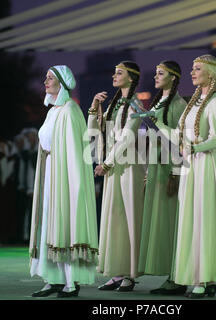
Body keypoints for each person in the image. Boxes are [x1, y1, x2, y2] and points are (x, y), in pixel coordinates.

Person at [156, 54, 216, 298]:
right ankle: (200, 278)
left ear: (210, 73)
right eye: (192, 69)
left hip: (205, 165)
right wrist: (158, 123)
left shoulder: (215, 102)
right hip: (190, 165)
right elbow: (179, 137)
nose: (192, 72)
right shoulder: (194, 103)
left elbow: (215, 140)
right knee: (190, 220)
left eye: (197, 69)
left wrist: (193, 148)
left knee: (203, 219)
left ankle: (204, 278)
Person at [29, 65, 98, 298]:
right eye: (45, 78)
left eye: (50, 78)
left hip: (64, 177)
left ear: (62, 82)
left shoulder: (70, 110)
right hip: (50, 173)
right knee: (48, 224)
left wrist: (73, 185)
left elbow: (74, 153)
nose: (45, 81)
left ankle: (70, 282)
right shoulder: (53, 111)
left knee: (64, 225)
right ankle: (53, 279)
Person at [88, 61, 145, 292]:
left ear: (131, 78)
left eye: (119, 73)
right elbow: (94, 129)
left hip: (128, 168)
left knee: (129, 219)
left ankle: (130, 274)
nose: (114, 76)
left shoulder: (134, 104)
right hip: (113, 168)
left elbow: (127, 137)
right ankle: (116, 272)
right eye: (114, 72)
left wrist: (107, 162)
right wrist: (94, 106)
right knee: (114, 220)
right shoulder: (114, 103)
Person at [137, 61, 187, 295]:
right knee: (159, 223)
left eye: (160, 73)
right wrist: (148, 171)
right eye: (155, 73)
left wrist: (175, 175)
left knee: (170, 225)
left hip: (169, 170)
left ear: (173, 78)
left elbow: (179, 143)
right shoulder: (159, 103)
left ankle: (176, 277)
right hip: (157, 168)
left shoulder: (178, 105)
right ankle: (170, 275)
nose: (155, 77)